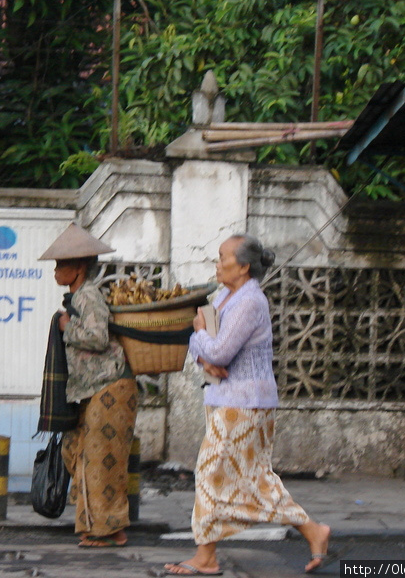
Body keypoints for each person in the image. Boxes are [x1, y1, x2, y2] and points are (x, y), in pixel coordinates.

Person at [164, 234, 336, 576]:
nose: (217, 262)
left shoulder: (249, 302)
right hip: (226, 398)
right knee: (249, 478)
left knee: (212, 473)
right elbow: (209, 353)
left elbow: (218, 350)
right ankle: (312, 531)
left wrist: (197, 334)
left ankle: (207, 557)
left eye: (223, 257)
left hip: (245, 402)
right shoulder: (226, 295)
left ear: (242, 267)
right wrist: (203, 353)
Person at [38, 223, 137, 548]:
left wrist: (68, 327)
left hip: (109, 387)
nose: (55, 271)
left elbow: (96, 336)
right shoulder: (78, 297)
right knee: (75, 451)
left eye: (60, 265)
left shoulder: (89, 296)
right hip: (92, 390)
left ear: (78, 267)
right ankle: (95, 524)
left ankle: (109, 531)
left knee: (101, 461)